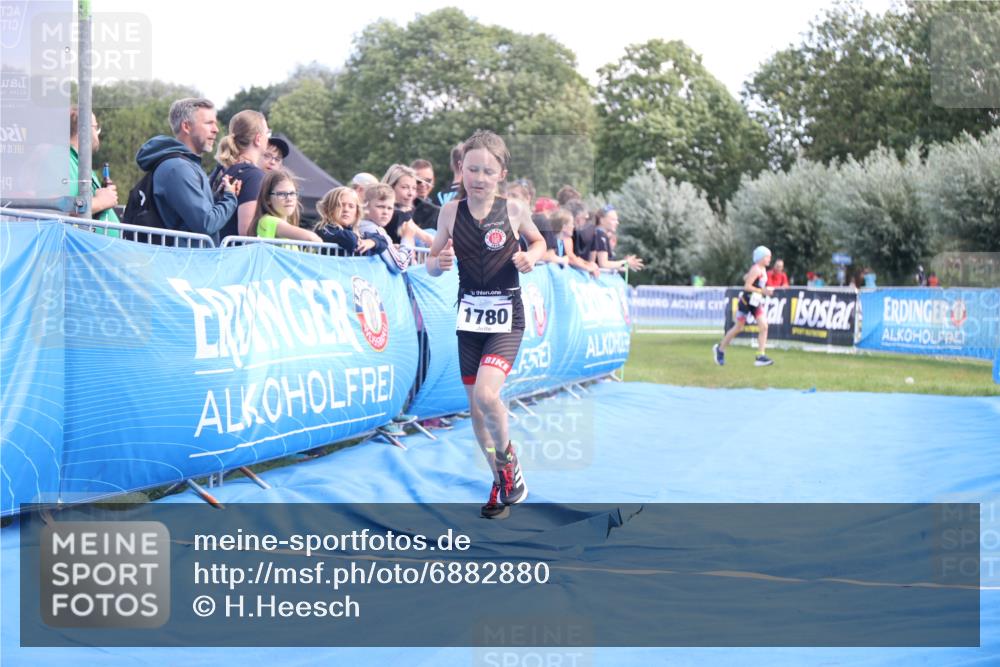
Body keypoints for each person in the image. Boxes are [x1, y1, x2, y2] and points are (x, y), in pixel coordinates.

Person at [425, 130, 546, 519]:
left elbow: (539, 242)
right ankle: (500, 479)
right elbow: (430, 261)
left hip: (507, 316)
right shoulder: (449, 212)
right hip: (469, 318)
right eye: (472, 169)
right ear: (460, 170)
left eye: (487, 171)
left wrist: (532, 258)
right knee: (476, 413)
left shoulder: (512, 209)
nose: (478, 177)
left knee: (488, 397)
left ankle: (510, 467)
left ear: (501, 174)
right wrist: (439, 263)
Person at [134, 98, 238, 244]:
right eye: (209, 123)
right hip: (181, 263)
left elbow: (185, 218)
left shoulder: (185, 164)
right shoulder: (178, 168)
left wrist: (218, 197)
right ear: (187, 126)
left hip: (183, 261)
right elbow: (206, 223)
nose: (216, 129)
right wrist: (230, 198)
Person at [209, 109, 270, 238]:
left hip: (216, 251)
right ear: (258, 139)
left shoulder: (221, 170)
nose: (268, 138)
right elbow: (246, 231)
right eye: (267, 133)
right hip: (236, 255)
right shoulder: (253, 176)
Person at [714, 246, 775, 368]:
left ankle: (760, 356)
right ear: (761, 257)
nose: (770, 259)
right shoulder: (757, 269)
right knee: (738, 328)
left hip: (755, 302)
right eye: (768, 257)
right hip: (746, 302)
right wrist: (763, 291)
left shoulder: (761, 269)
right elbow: (747, 287)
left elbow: (746, 278)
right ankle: (720, 349)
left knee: (764, 327)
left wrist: (758, 286)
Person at [69, 106, 120, 233]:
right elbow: (60, 209)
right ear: (85, 129)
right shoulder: (61, 158)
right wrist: (101, 201)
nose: (98, 133)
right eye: (96, 127)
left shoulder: (79, 162)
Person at [249, 168, 321, 242]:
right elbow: (311, 238)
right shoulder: (267, 220)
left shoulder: (287, 226)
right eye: (281, 194)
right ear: (267, 199)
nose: (289, 198)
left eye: (292, 193)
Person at [313, 186, 385, 256]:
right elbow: (350, 241)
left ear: (357, 212)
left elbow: (383, 241)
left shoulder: (353, 230)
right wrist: (362, 241)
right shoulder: (325, 229)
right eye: (340, 205)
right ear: (327, 209)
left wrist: (371, 242)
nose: (346, 210)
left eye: (351, 206)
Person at [359, 183, 413, 272]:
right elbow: (399, 265)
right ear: (366, 206)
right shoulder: (374, 230)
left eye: (390, 208)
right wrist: (407, 239)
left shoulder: (362, 225)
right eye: (380, 206)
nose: (385, 212)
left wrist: (391, 248)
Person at [382, 164, 434, 248]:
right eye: (405, 187)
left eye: (414, 188)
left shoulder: (410, 211)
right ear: (391, 187)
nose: (411, 193)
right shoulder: (398, 214)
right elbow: (430, 239)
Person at [591, 204, 643, 273]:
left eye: (617, 220)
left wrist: (621, 265)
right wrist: (625, 262)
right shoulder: (600, 235)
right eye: (613, 220)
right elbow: (603, 264)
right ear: (602, 220)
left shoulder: (599, 234)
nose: (617, 223)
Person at [410, 158, 441, 230]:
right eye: (418, 180)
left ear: (433, 181)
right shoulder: (401, 208)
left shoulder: (438, 208)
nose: (423, 184)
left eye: (428, 180)